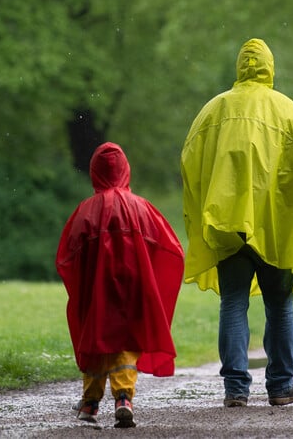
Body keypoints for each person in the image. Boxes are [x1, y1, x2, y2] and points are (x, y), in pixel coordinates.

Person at [181, 38, 293, 408]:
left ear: (240, 67)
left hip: (228, 224)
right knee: (279, 304)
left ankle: (236, 389)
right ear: (269, 67)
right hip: (275, 225)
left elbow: (190, 162)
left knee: (233, 302)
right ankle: (280, 385)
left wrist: (209, 205)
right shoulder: (287, 111)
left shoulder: (214, 111)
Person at [56, 142, 184, 427]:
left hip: (96, 289)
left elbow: (68, 254)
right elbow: (169, 246)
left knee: (96, 339)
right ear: (126, 170)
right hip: (133, 287)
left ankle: (90, 403)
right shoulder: (142, 207)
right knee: (126, 340)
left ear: (94, 173)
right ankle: (124, 398)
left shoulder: (85, 211)